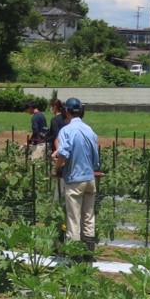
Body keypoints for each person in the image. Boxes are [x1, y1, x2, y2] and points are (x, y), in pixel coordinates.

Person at [53, 97, 100, 259]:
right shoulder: (90, 131)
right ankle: (89, 256)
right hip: (90, 180)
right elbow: (96, 160)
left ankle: (75, 257)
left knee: (73, 219)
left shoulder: (66, 130)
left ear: (66, 111)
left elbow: (63, 154)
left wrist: (57, 167)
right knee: (88, 217)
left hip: (74, 180)